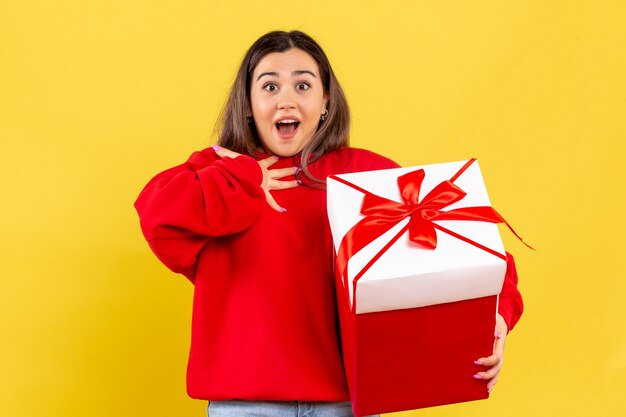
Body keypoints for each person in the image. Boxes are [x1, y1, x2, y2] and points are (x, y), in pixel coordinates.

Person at [134, 30, 523, 417]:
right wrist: (245, 180)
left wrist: (498, 317)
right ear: (249, 104)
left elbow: (464, 240)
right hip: (245, 406)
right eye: (269, 86)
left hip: (347, 403)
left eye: (303, 85)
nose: (286, 99)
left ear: (324, 102)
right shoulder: (218, 171)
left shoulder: (363, 175)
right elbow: (156, 217)